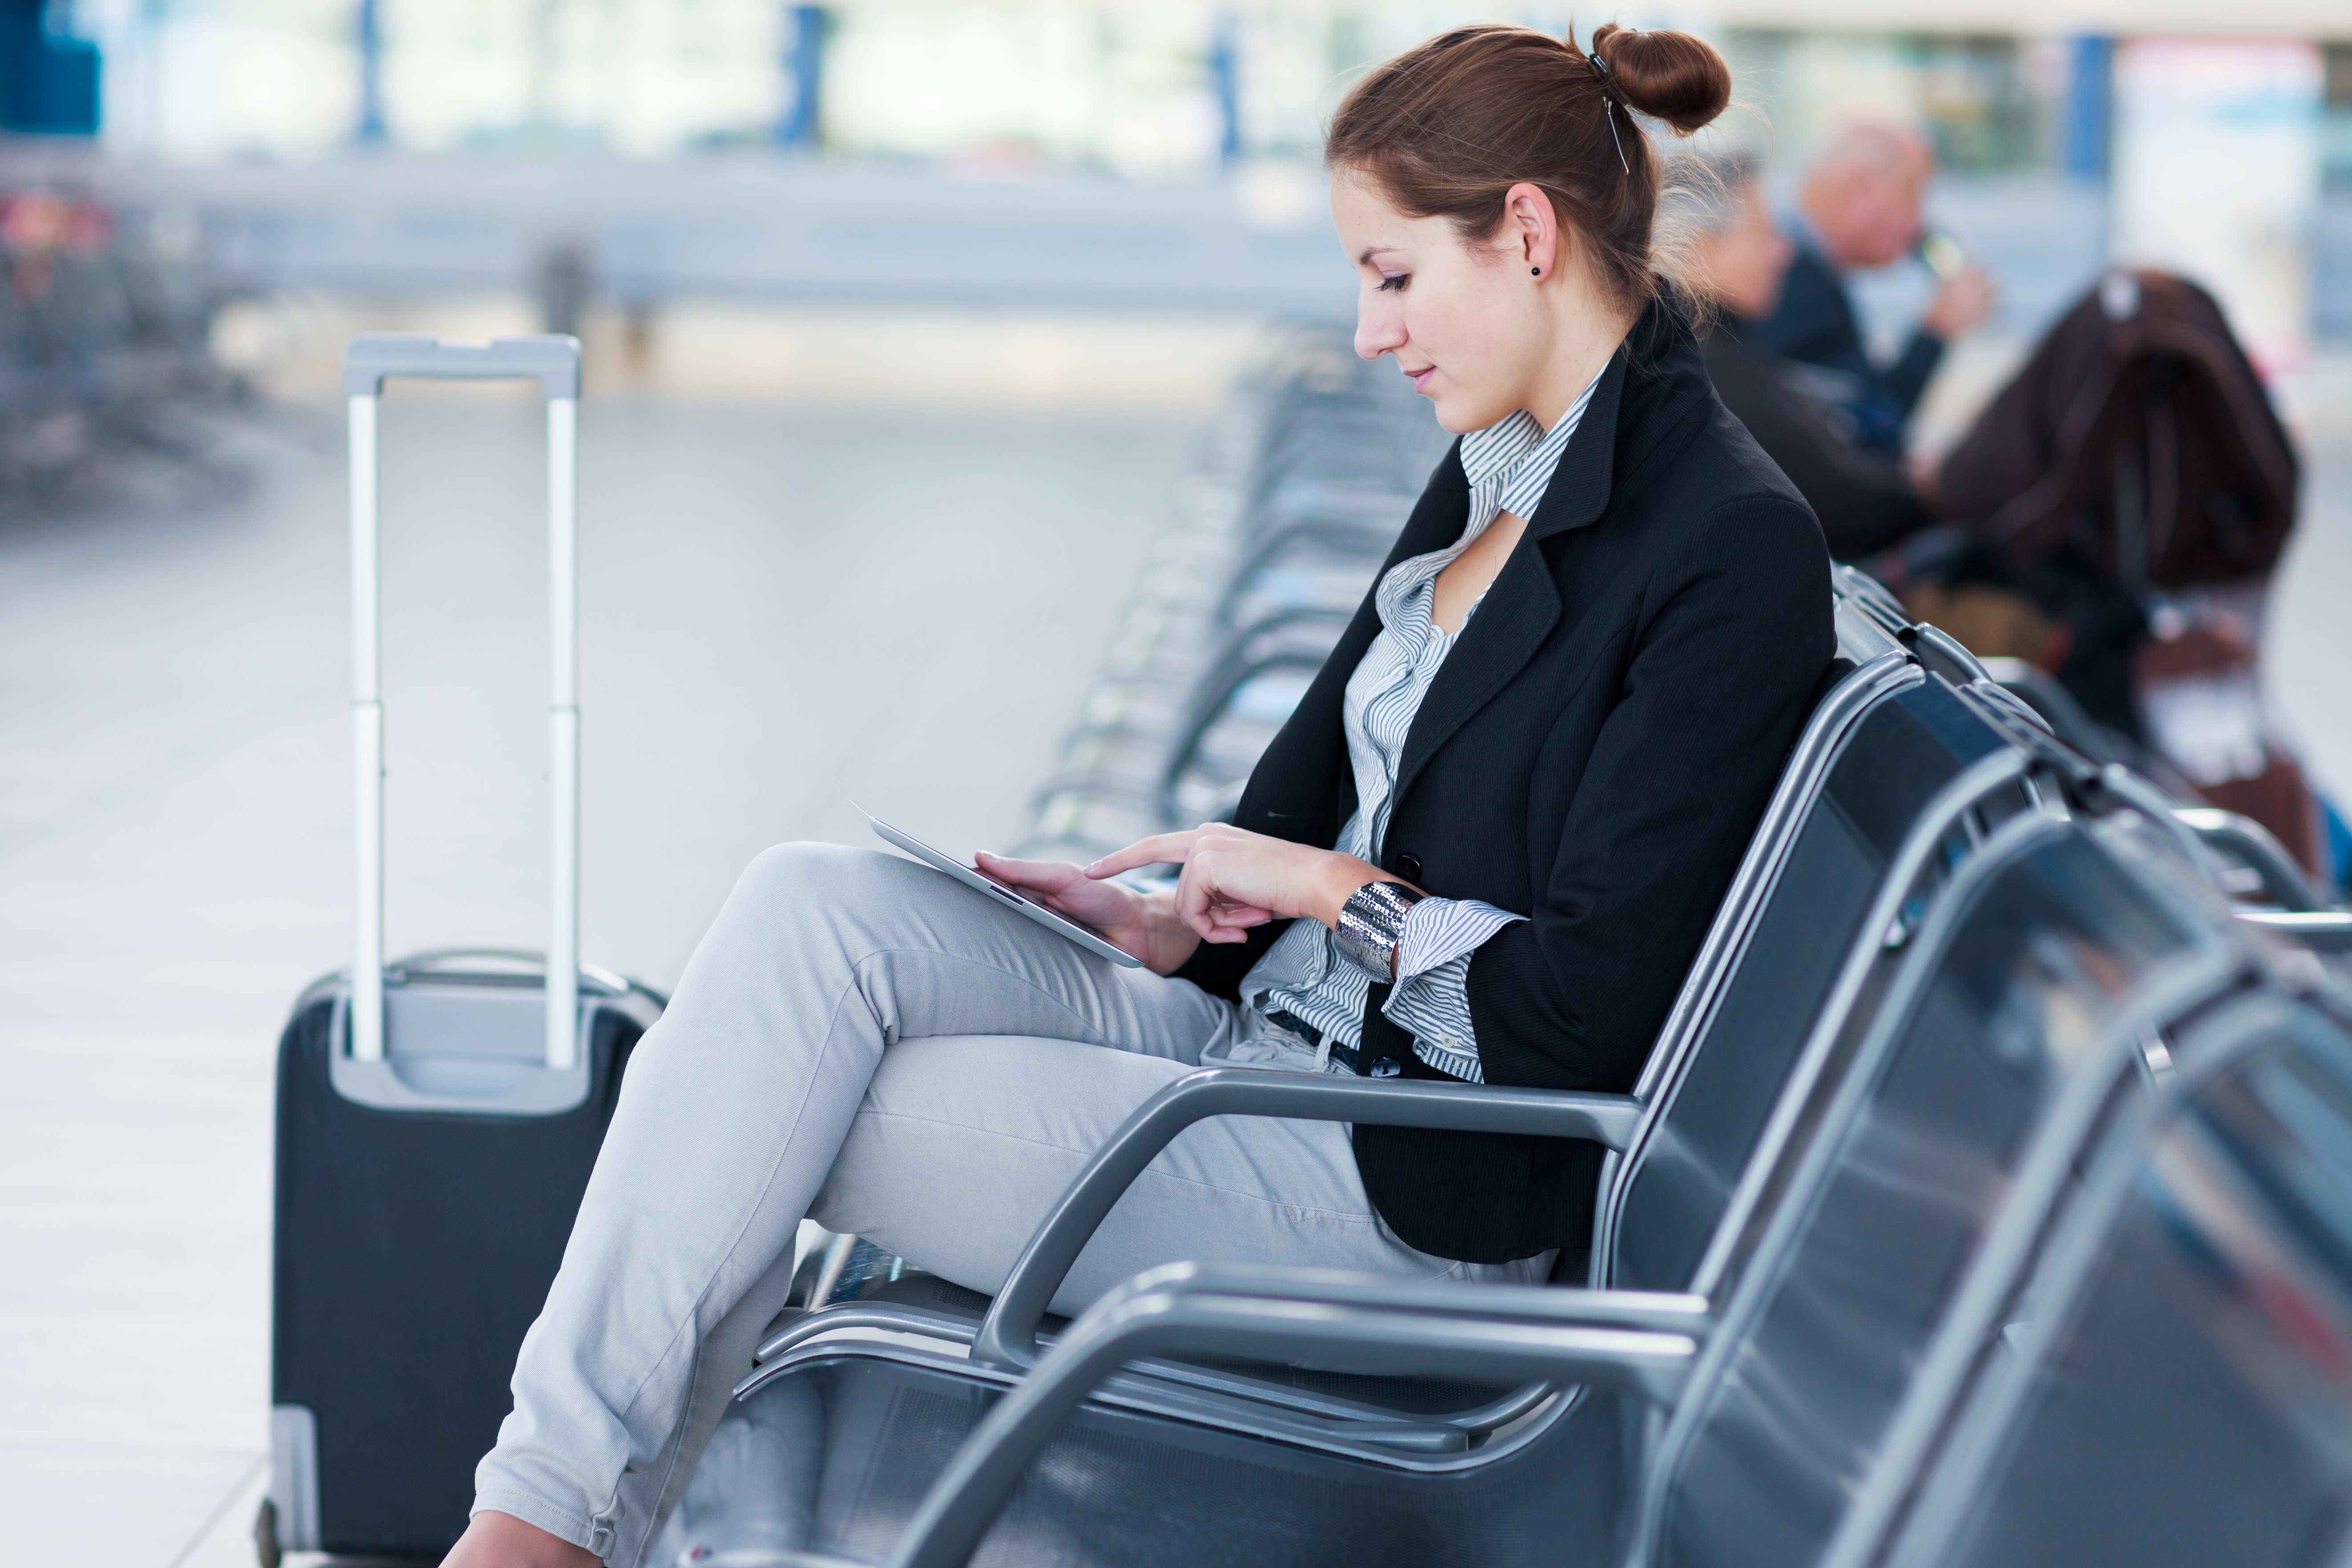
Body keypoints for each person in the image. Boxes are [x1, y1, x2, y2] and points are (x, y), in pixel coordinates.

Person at [443, 23, 1834, 1568]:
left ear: (1522, 231)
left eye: (1388, 275)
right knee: (804, 911)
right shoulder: (1504, 450)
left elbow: (1577, 1014)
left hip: (1419, 1177)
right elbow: (1347, 798)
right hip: (1264, 1033)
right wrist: (1171, 918)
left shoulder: (1720, 545)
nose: (1372, 332)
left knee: (773, 1104)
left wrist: (1314, 892)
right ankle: (546, 1522)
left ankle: (540, 1538)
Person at [1669, 149, 1935, 560]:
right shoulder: (1707, 364)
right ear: (1700, 249)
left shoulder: (1700, 350)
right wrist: (1942, 489)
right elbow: (1844, 501)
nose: (1783, 253)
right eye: (1764, 234)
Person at [1746, 121, 1996, 453]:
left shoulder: (1806, 273)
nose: (1919, 222)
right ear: (1855, 189)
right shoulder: (1789, 282)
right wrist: (1937, 330)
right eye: (1912, 194)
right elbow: (1868, 431)